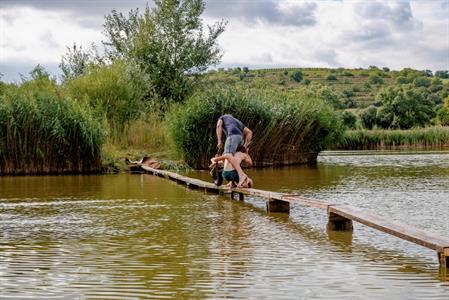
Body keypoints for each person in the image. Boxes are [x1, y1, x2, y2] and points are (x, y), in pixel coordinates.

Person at [216, 114, 253, 187]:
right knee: (234, 158)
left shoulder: (222, 118)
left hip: (232, 137)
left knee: (228, 155)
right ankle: (232, 182)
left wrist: (219, 141)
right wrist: (245, 145)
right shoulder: (237, 121)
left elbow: (218, 126)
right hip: (241, 139)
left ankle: (241, 175)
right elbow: (249, 132)